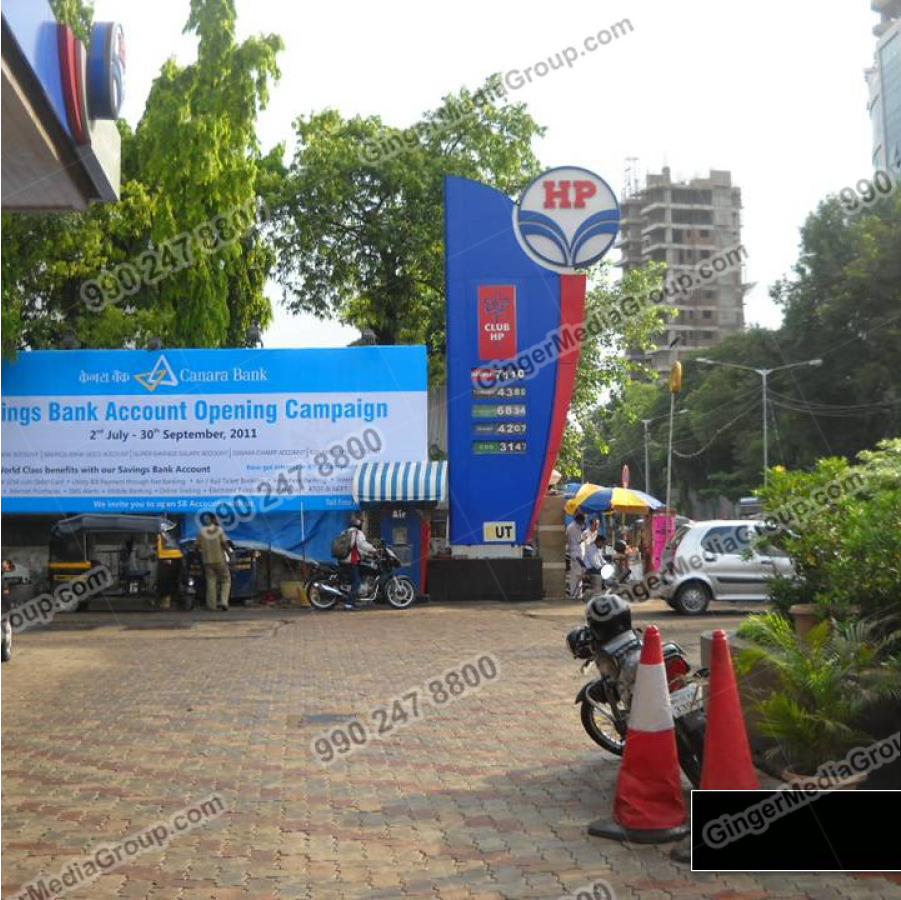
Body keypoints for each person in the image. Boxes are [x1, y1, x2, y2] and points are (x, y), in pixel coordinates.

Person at [339, 515, 376, 611]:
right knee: (357, 582)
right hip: (351, 561)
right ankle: (348, 604)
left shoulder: (345, 532)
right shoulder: (357, 533)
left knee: (356, 578)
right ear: (358, 525)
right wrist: (374, 550)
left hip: (343, 559)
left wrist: (366, 553)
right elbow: (362, 544)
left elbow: (356, 548)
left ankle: (354, 599)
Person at [198, 513, 231, 611]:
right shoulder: (219, 530)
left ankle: (211, 606)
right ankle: (224, 602)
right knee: (226, 580)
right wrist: (230, 554)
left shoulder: (201, 531)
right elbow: (224, 544)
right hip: (219, 560)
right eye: (217, 518)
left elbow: (196, 546)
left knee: (211, 582)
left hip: (207, 561)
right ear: (213, 519)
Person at [566, 513, 586, 600]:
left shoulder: (570, 526)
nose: (583, 523)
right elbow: (578, 541)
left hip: (573, 551)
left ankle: (574, 593)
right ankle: (576, 594)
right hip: (576, 552)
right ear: (580, 520)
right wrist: (584, 538)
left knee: (574, 574)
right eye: (583, 521)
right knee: (577, 574)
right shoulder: (576, 528)